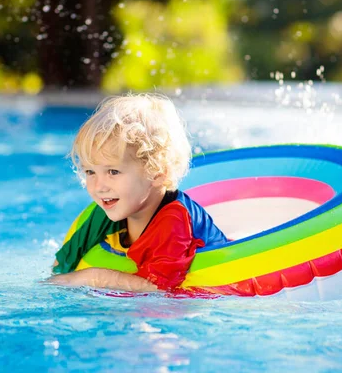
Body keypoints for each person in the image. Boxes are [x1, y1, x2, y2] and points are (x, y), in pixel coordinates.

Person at [48, 93, 228, 292]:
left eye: (113, 171)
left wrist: (96, 277)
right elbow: (59, 268)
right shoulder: (104, 210)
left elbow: (159, 291)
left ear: (157, 172)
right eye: (90, 171)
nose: (99, 186)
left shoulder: (175, 219)